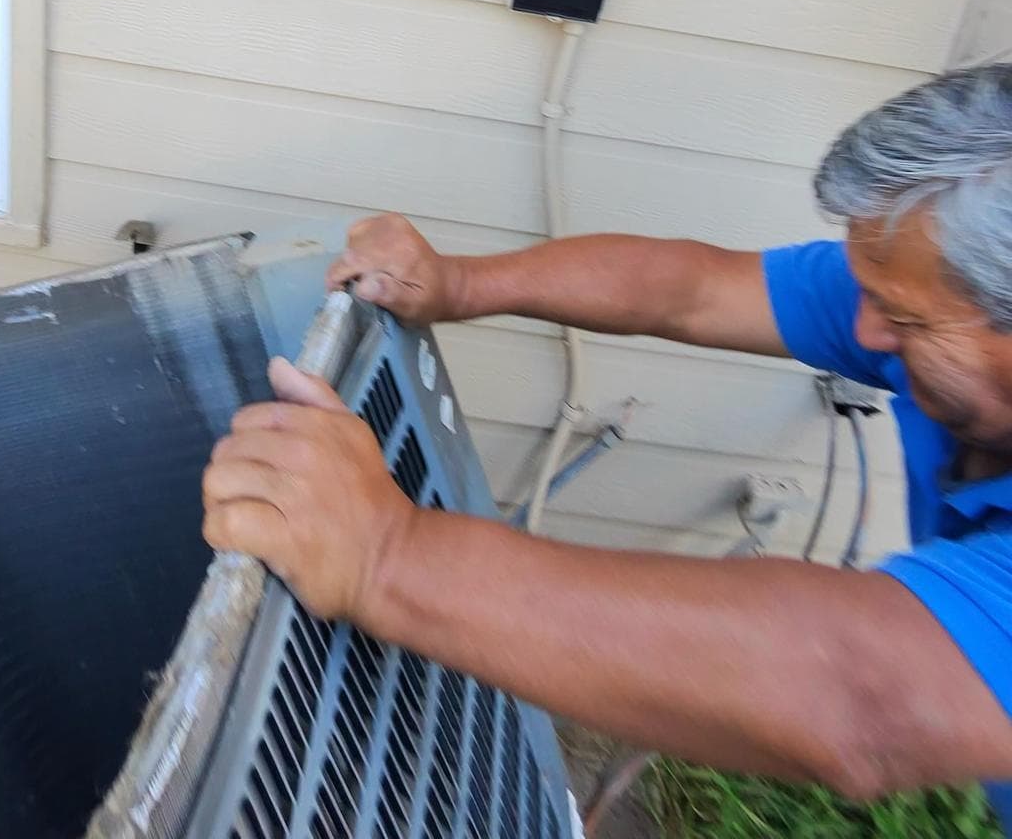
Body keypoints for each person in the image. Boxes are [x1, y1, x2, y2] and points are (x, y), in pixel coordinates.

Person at [201, 63, 1012, 819]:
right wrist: (462, 284)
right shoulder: (922, 292)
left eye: (906, 319)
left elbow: (862, 695)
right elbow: (692, 291)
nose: (868, 332)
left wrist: (386, 554)